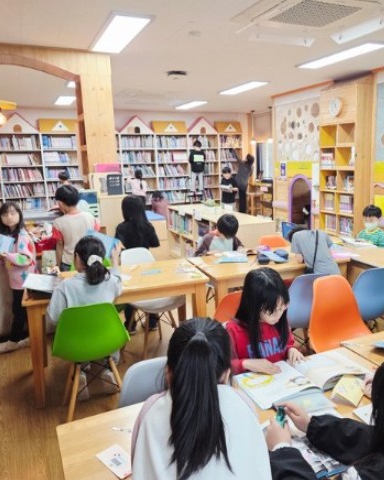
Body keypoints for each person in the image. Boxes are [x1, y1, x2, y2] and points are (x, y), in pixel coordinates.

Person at [131, 318, 271, 480]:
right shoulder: (243, 403)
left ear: (168, 373)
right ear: (227, 375)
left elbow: (136, 464)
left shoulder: (151, 410)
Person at [47, 235, 122, 400]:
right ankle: (107, 369)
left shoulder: (65, 286)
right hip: (107, 340)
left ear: (77, 258)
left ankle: (79, 373)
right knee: (105, 333)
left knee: (76, 334)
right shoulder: (110, 282)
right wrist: (115, 261)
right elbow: (118, 282)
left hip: (76, 345)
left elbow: (52, 319)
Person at [226, 268, 304, 374]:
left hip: (280, 378)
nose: (279, 315)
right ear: (254, 306)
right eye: (272, 311)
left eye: (283, 308)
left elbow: (288, 344)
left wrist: (291, 350)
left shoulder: (280, 321)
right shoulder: (233, 330)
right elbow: (223, 368)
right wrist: (245, 363)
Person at [0, 202, 37, 354]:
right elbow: (3, 251)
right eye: (5, 214)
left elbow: (26, 259)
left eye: (12, 213)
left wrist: (7, 256)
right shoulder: (7, 234)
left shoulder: (22, 236)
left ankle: (13, 341)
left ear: (19, 215)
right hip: (17, 280)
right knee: (22, 310)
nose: (9, 217)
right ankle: (30, 338)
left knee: (19, 311)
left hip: (24, 281)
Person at [115, 194, 161, 332]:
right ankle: (152, 322)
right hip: (146, 267)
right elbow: (155, 243)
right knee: (149, 291)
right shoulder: (148, 226)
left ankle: (131, 325)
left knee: (130, 294)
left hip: (128, 267)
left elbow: (117, 248)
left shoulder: (121, 227)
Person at [52, 185, 100, 271]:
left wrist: (58, 265)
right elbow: (95, 237)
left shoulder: (58, 223)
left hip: (68, 263)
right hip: (88, 260)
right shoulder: (90, 217)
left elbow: (59, 245)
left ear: (60, 203)